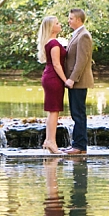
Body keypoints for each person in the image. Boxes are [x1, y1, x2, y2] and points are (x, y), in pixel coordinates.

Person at [63, 8, 93, 155]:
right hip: (74, 81)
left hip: (79, 81)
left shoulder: (84, 36)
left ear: (79, 20)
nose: (68, 21)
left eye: (71, 18)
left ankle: (80, 146)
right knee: (76, 113)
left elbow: (82, 61)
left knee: (78, 114)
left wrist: (72, 79)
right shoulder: (76, 35)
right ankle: (77, 144)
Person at [37, 15, 67, 154]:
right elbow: (56, 64)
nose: (60, 24)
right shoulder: (54, 44)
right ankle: (51, 141)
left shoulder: (51, 42)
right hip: (53, 78)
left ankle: (49, 140)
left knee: (53, 111)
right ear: (51, 27)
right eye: (57, 23)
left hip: (50, 77)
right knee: (54, 111)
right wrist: (66, 80)